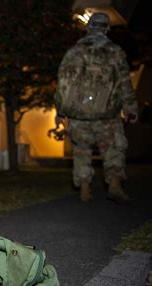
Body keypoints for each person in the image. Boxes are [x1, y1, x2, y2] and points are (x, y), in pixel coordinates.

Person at [55, 12, 138, 202]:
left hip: (79, 114)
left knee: (81, 150)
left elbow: (63, 83)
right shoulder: (115, 52)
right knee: (113, 148)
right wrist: (131, 108)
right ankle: (115, 183)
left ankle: (85, 188)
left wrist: (60, 111)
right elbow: (125, 83)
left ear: (88, 27)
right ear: (107, 29)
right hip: (107, 113)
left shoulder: (73, 52)